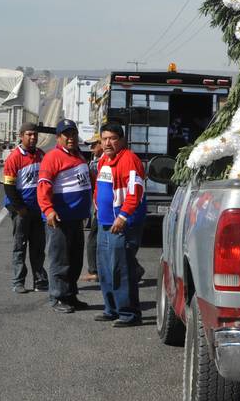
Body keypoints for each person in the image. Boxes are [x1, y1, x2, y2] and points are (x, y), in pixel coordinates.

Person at [37, 119, 93, 314]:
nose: (71, 138)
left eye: (73, 134)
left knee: (75, 260)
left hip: (76, 219)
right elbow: (43, 186)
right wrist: (48, 210)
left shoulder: (79, 156)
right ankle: (58, 297)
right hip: (59, 219)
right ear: (58, 137)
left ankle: (70, 294)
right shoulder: (53, 157)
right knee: (60, 260)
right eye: (66, 135)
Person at [94, 123, 147, 326]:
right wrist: (97, 208)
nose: (108, 142)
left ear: (122, 140)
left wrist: (123, 216)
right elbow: (99, 188)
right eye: (105, 138)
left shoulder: (130, 160)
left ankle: (129, 314)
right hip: (104, 223)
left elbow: (135, 192)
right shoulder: (103, 160)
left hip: (122, 225)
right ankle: (112, 309)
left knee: (121, 269)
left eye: (113, 138)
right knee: (105, 269)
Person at [2, 122, 48, 294]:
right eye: (29, 134)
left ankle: (40, 280)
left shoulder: (41, 155)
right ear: (21, 136)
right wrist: (19, 208)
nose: (32, 137)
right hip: (21, 210)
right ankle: (18, 281)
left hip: (38, 210)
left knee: (38, 247)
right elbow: (8, 186)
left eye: (35, 134)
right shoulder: (14, 158)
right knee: (20, 246)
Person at [80, 133, 104, 283]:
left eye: (94, 144)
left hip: (101, 207)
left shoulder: (98, 163)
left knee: (93, 239)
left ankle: (93, 271)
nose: (91, 148)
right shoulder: (96, 161)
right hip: (99, 205)